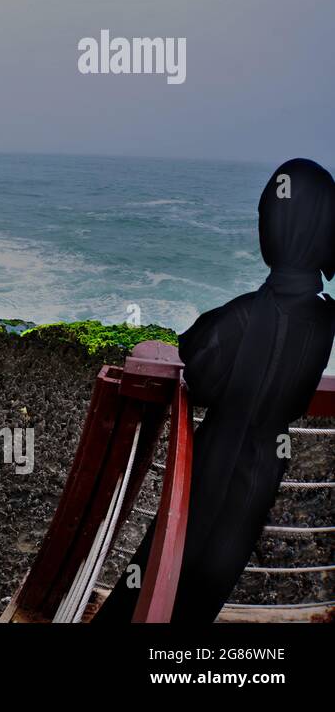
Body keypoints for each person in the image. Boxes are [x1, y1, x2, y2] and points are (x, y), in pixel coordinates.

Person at [96, 158, 335, 622]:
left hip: (217, 457)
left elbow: (198, 365)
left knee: (163, 566)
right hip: (267, 462)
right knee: (211, 582)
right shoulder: (325, 321)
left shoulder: (243, 316)